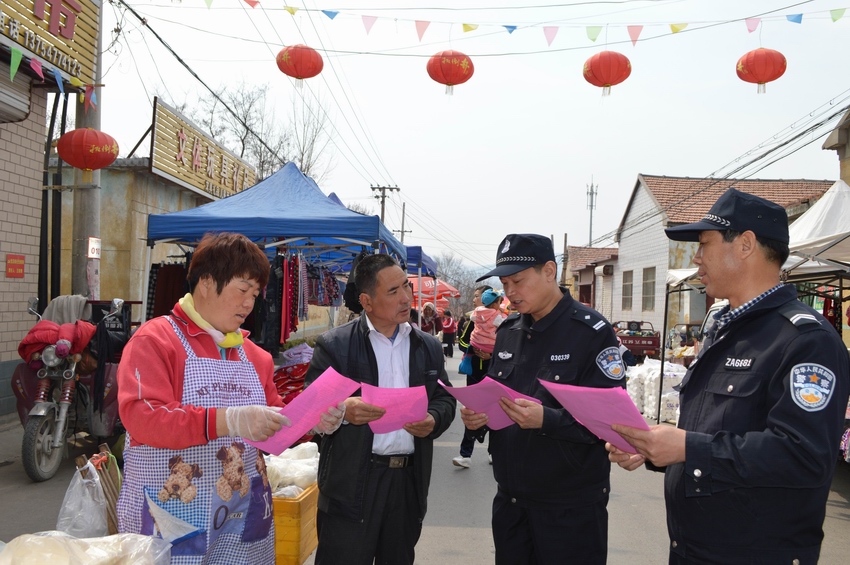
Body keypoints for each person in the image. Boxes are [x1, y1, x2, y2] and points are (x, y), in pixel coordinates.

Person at [607, 188, 850, 564]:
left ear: (746, 245)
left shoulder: (805, 339)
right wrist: (655, 449)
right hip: (695, 549)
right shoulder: (725, 328)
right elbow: (714, 428)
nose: (697, 258)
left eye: (704, 243)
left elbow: (805, 456)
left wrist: (688, 447)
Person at [116, 232, 344, 563]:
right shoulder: (156, 340)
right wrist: (228, 420)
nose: (250, 303)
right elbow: (144, 420)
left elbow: (277, 424)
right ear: (206, 283)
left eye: (255, 293)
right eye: (242, 290)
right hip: (173, 515)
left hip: (241, 518)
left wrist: (314, 420)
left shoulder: (255, 356)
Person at [461, 234, 625, 564]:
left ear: (549, 271)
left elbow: (611, 422)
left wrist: (546, 419)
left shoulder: (590, 332)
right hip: (511, 504)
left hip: (569, 509)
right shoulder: (507, 330)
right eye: (504, 283)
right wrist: (478, 416)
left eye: (518, 281)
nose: (509, 293)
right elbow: (494, 393)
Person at [304, 253, 457, 565]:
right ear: (366, 301)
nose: (405, 298)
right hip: (351, 485)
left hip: (407, 483)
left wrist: (434, 419)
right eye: (392, 292)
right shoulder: (335, 346)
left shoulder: (426, 347)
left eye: (406, 287)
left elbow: (445, 398)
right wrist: (344, 410)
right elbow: (310, 413)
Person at [453, 284, 493, 468]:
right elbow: (461, 342)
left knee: (495, 410)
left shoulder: (503, 320)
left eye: (477, 296)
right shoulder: (474, 320)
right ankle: (465, 454)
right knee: (471, 411)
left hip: (494, 372)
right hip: (474, 373)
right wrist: (475, 349)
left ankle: (493, 450)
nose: (474, 299)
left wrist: (492, 355)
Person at [469, 288, 507, 353]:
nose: (500, 304)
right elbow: (505, 323)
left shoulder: (477, 311)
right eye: (499, 302)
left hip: (475, 342)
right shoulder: (496, 316)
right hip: (490, 345)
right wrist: (504, 314)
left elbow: (472, 317)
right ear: (494, 304)